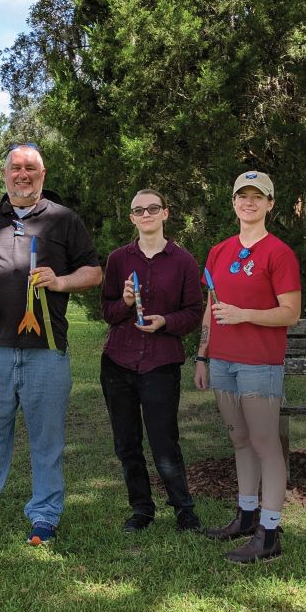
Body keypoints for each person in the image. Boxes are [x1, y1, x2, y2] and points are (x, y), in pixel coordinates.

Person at [0, 144, 102, 545]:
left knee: (47, 438)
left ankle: (44, 516)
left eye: (30, 168)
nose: (22, 175)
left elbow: (94, 272)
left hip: (46, 350)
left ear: (42, 175)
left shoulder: (64, 220)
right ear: (4, 175)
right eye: (15, 168)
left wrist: (60, 281)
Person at [195, 171, 301, 563]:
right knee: (239, 438)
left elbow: (291, 313)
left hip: (259, 363)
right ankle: (245, 516)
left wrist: (245, 315)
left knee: (264, 443)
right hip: (222, 361)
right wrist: (203, 355)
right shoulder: (219, 251)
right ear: (233, 202)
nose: (250, 202)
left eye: (259, 197)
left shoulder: (279, 253)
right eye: (243, 195)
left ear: (270, 204)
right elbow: (211, 305)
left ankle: (270, 532)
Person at [100, 189, 205, 534]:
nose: (146, 214)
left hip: (160, 363)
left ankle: (183, 510)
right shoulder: (118, 259)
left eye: (153, 208)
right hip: (119, 362)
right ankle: (141, 509)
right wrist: (126, 302)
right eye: (139, 210)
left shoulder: (184, 261)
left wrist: (165, 322)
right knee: (126, 442)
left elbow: (193, 313)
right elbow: (108, 311)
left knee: (164, 440)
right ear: (131, 218)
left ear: (165, 213)